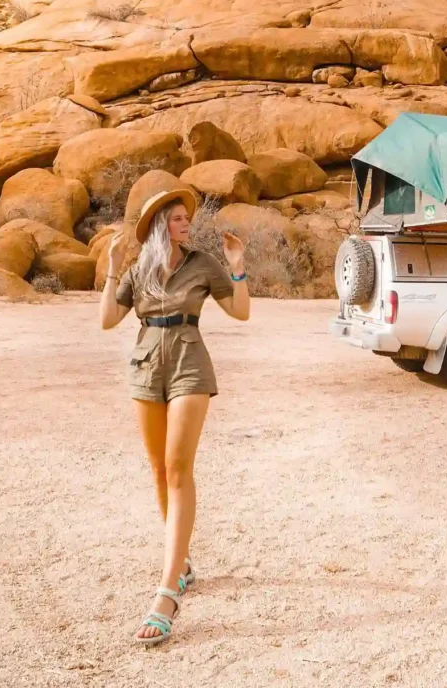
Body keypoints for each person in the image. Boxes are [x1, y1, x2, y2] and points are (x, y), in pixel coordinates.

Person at [99, 188, 251, 645]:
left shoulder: (203, 263)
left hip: (189, 363)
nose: (188, 223)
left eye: (187, 217)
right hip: (146, 366)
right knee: (159, 472)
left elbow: (240, 311)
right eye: (180, 218)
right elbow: (108, 320)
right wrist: (110, 268)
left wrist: (237, 265)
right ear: (163, 223)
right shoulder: (138, 269)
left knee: (179, 469)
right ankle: (182, 563)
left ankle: (167, 591)